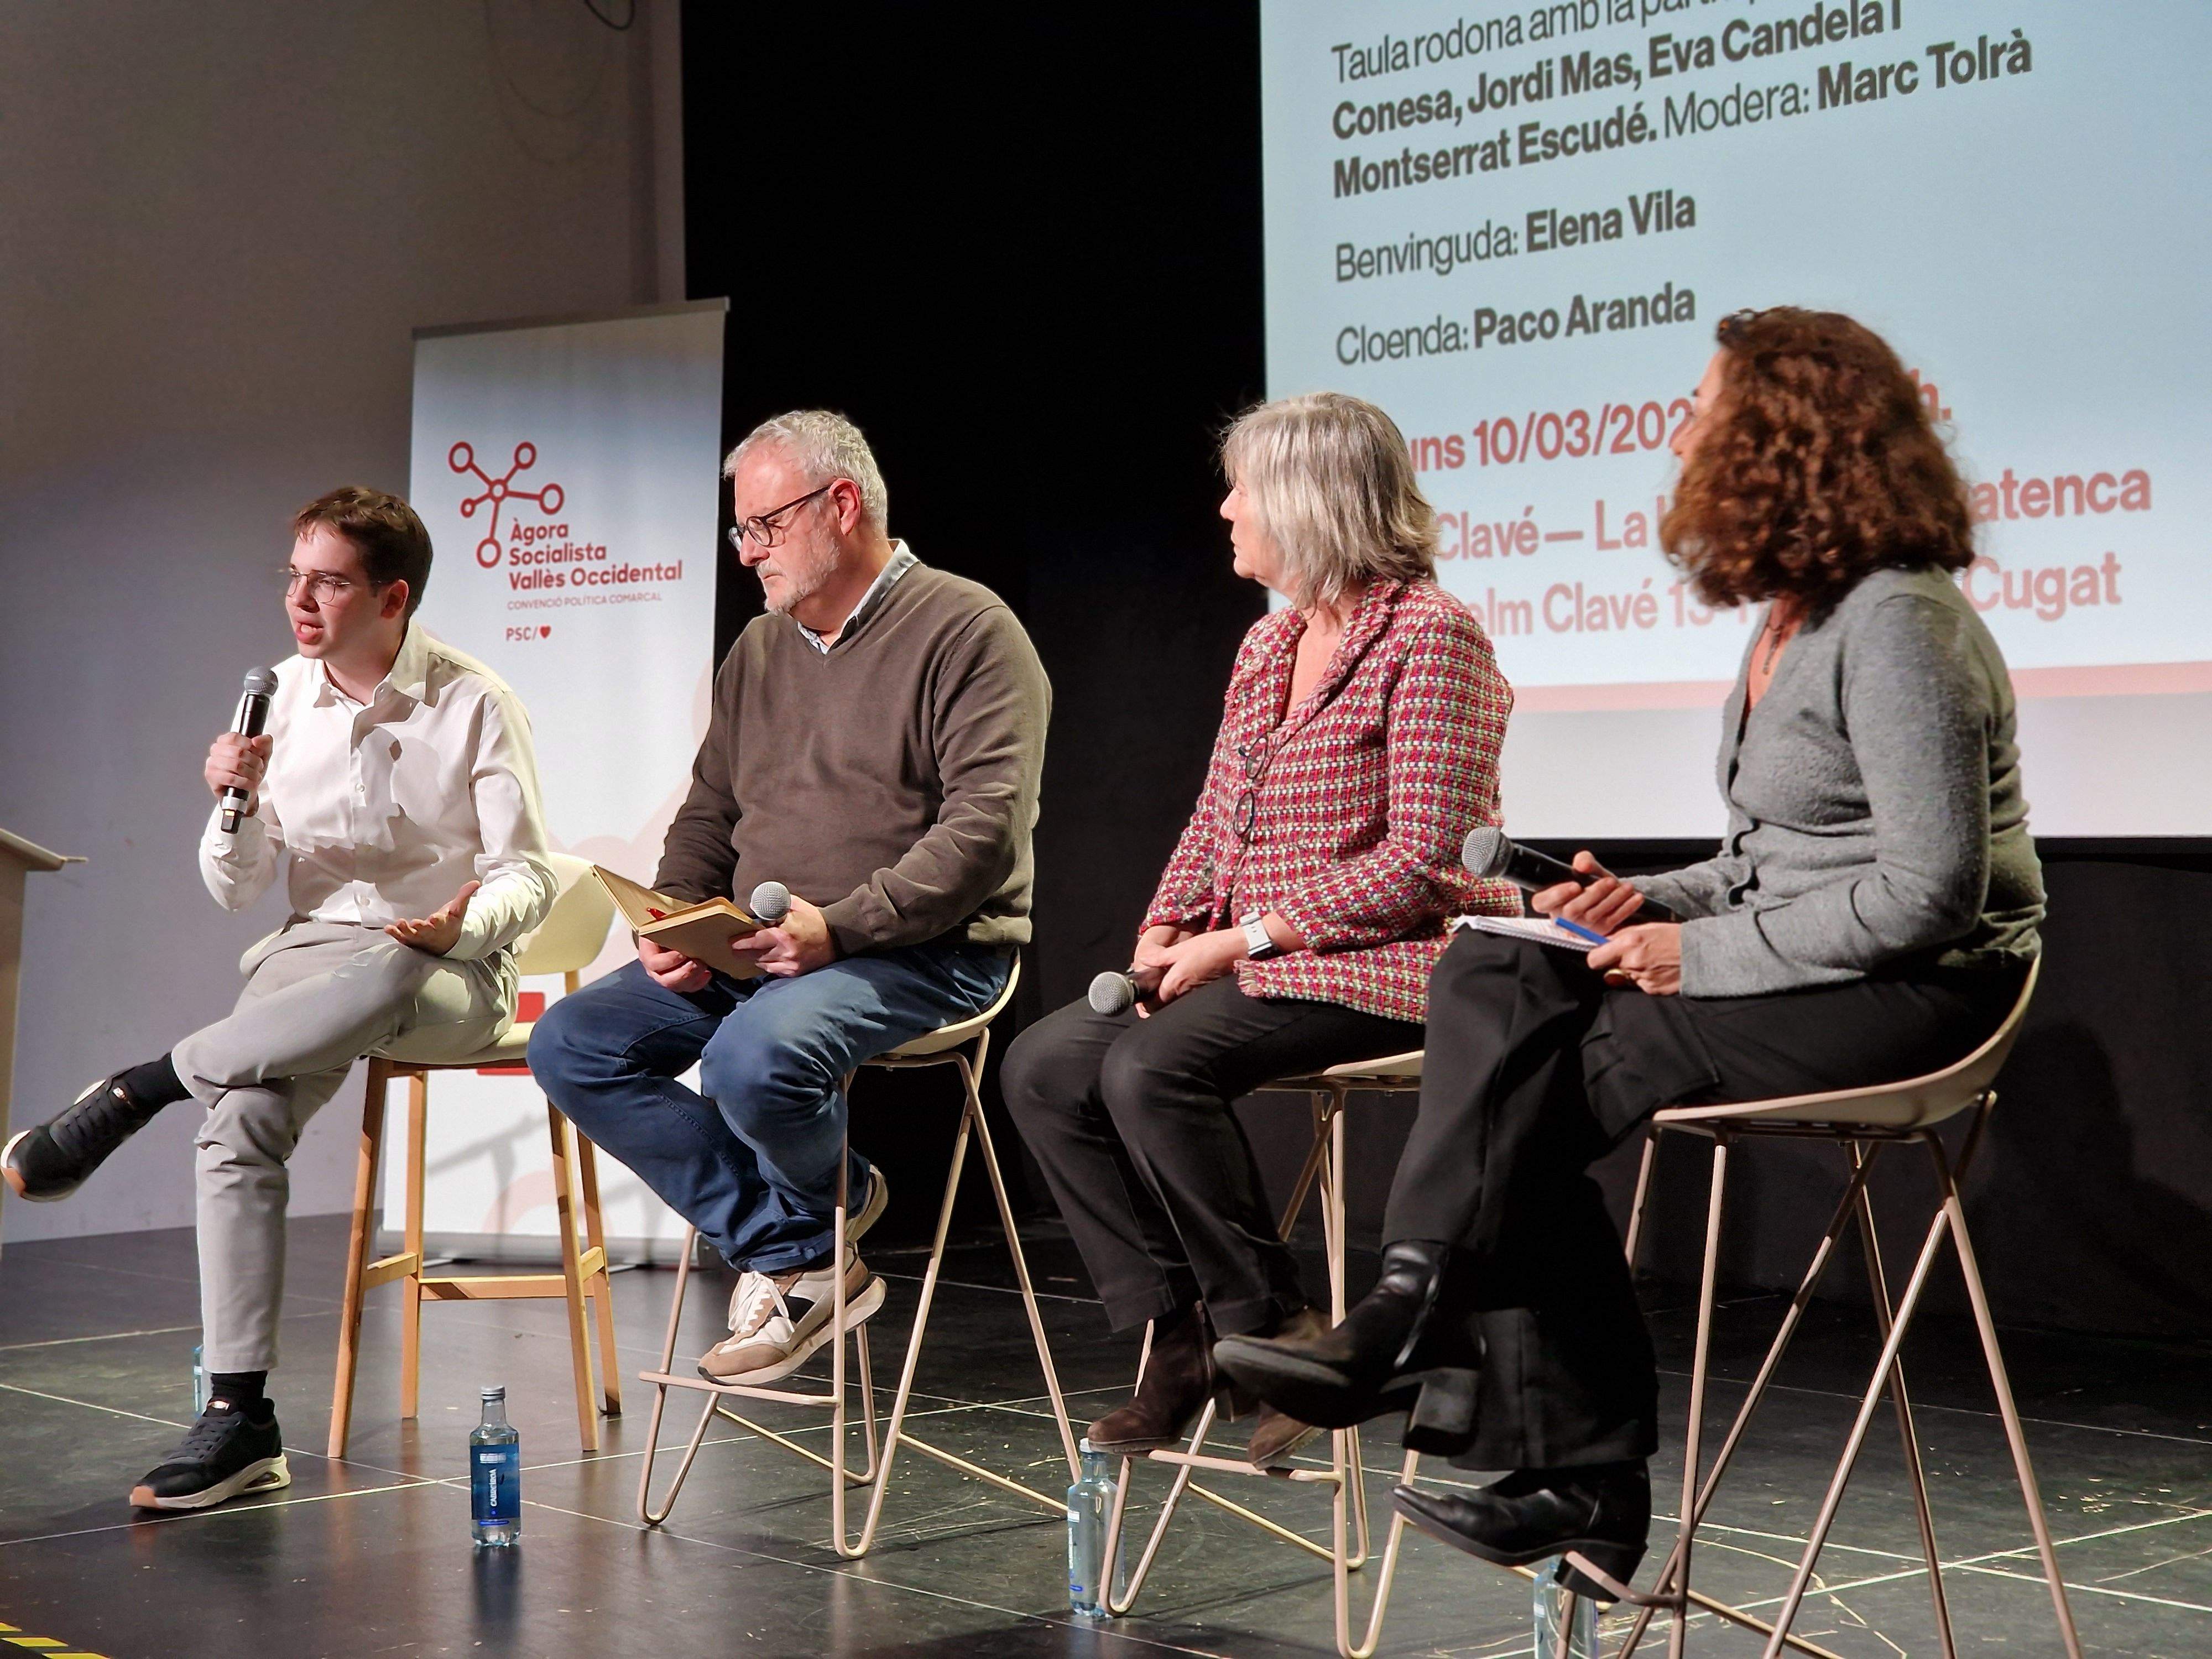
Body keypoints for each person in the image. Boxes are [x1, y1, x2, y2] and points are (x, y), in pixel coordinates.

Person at [1214, 307, 2046, 1595]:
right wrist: (1638, 901)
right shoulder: (1791, 617)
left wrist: (1687, 957)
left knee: (1535, 1086)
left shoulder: (1898, 624)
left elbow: (1927, 896)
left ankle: (1522, 1419)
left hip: (1923, 991)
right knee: (1494, 964)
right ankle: (1441, 1340)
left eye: (1703, 412)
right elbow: (1772, 857)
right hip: (1815, 951)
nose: (1679, 435)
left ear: (1780, 437)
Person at [4, 487, 558, 1510]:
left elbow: (528, 876)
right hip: (309, 961)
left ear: (392, 598)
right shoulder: (279, 698)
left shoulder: (476, 702)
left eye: (328, 583)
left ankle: (141, 1086)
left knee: (392, 967)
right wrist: (237, 805)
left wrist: (457, 929)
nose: (299, 601)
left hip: (448, 971)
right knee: (241, 1122)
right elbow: (237, 889)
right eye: (293, 577)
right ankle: (240, 1419)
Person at [1001, 392, 1518, 1469]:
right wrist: (1164, 928)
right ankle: (1181, 1335)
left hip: (1396, 958)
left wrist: (1245, 941)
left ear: (1307, 501)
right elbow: (1216, 818)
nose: (1226, 509)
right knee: (1046, 1068)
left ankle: (1271, 1331)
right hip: (1263, 956)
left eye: (1243, 489)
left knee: (1152, 1069)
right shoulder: (1269, 641)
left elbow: (1427, 861)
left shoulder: (1433, 637)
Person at [528, 410, 1049, 1387]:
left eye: (764, 527)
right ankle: (804, 1246)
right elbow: (710, 809)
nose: (747, 553)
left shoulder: (969, 630)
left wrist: (841, 929)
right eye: (742, 531)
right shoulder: (762, 648)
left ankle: (807, 1250)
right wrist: (675, 915)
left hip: (925, 950)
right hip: (765, 946)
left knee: (751, 1057)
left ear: (840, 505)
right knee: (572, 1044)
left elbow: (983, 834)